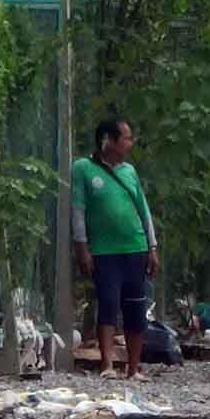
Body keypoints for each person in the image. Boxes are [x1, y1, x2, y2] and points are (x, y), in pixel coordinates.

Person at [71, 117, 160, 381]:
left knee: (135, 307)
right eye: (126, 138)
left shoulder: (130, 172)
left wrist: (152, 247)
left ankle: (134, 368)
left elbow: (143, 211)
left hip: (135, 247)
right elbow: (78, 210)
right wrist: (82, 248)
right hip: (104, 251)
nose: (130, 143)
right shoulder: (83, 169)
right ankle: (107, 364)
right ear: (108, 140)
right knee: (108, 304)